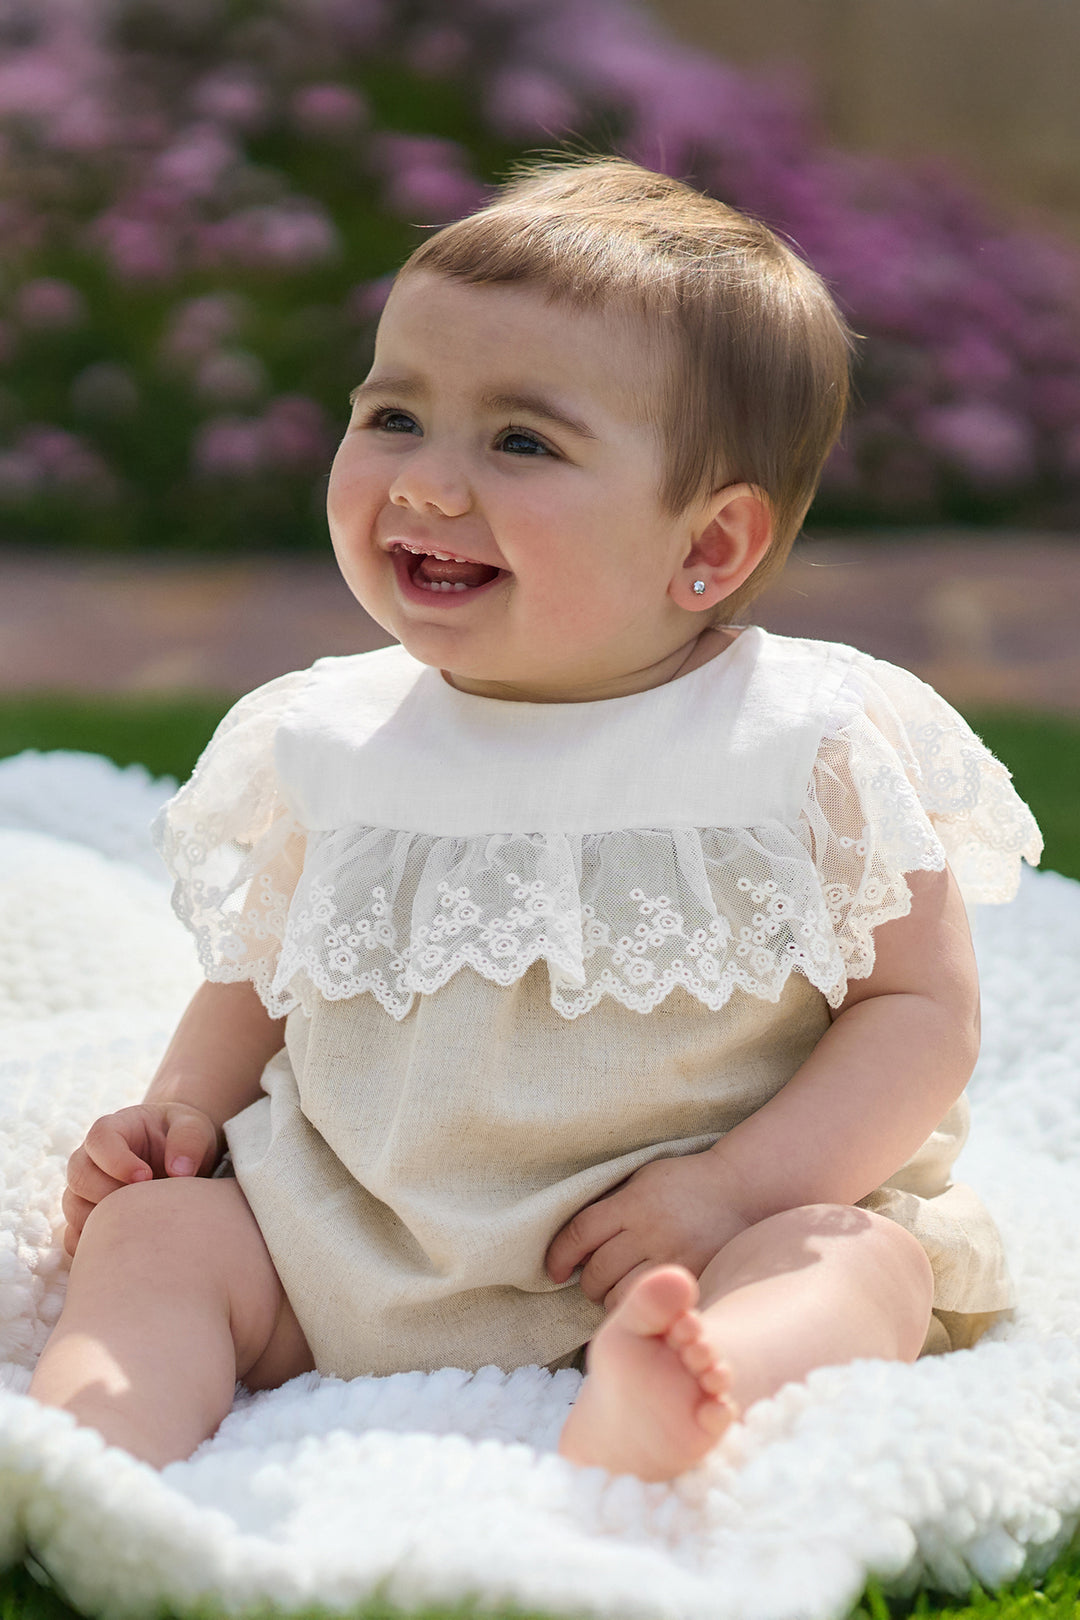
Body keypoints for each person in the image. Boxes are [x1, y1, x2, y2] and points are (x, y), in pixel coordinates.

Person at [30, 157, 1041, 1483]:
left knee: (857, 1265)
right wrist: (176, 1117)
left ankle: (688, 1388)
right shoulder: (323, 737)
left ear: (712, 545)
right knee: (156, 1242)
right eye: (392, 415)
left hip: (686, 1229)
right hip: (349, 1234)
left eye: (520, 441)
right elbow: (268, 966)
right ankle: (92, 1443)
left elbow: (920, 1013)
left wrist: (738, 1190)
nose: (427, 484)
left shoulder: (803, 741)